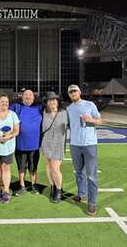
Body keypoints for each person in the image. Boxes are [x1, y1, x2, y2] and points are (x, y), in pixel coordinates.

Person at [66, 84, 103, 216]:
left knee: (91, 175)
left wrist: (91, 119)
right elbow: (68, 124)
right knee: (78, 172)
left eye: (75, 91)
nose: (73, 93)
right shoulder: (69, 109)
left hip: (89, 144)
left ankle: (92, 203)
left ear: (79, 92)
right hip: (75, 144)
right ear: (69, 95)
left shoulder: (89, 104)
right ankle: (82, 194)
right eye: (70, 92)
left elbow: (100, 121)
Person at [10, 89, 42, 195]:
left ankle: (34, 185)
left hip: (34, 144)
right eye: (25, 94)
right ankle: (22, 186)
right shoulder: (16, 107)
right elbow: (5, 112)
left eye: (30, 95)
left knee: (33, 167)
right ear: (22, 97)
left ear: (33, 97)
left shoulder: (39, 107)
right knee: (21, 167)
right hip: (20, 144)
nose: (28, 96)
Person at [40, 92, 68, 203]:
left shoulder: (65, 113)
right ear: (47, 103)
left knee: (56, 169)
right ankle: (52, 186)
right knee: (48, 166)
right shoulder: (44, 113)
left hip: (58, 144)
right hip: (46, 143)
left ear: (58, 102)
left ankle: (59, 190)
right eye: (50, 100)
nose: (52, 102)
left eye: (54, 100)